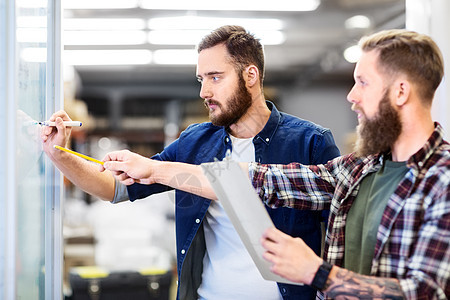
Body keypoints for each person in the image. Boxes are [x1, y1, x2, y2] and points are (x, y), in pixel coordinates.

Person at [101, 29, 450, 299]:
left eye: (362, 82)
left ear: (400, 92)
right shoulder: (360, 168)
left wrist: (316, 272)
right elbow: (258, 179)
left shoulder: (441, 180)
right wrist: (154, 169)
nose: (351, 96)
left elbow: (426, 292)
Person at [42, 25, 340, 299]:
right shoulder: (194, 142)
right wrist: (59, 153)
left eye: (215, 77)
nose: (203, 92)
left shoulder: (310, 143)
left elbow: (340, 240)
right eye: (201, 79)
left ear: (251, 75)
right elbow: (115, 188)